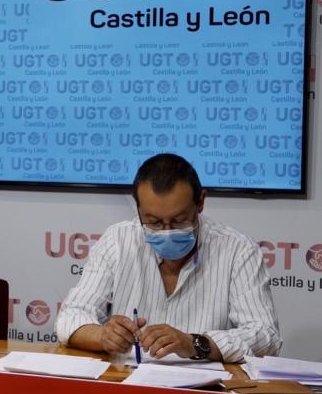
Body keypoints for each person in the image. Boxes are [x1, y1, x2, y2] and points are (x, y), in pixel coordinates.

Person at [55, 153, 281, 363]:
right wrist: (103, 336)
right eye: (153, 221)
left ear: (201, 202)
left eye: (179, 220)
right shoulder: (118, 240)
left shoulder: (238, 250)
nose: (166, 231)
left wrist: (195, 343)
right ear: (139, 210)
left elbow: (265, 336)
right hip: (126, 386)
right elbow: (70, 317)